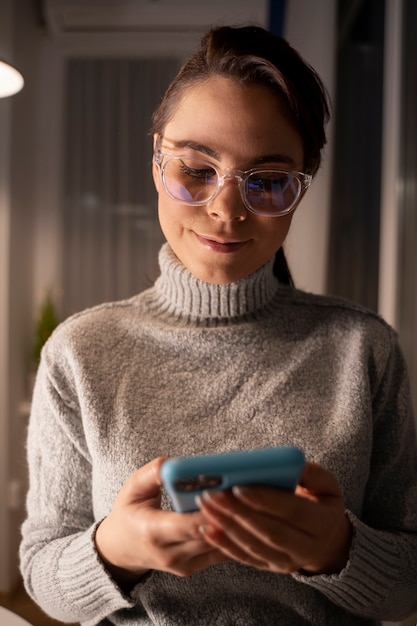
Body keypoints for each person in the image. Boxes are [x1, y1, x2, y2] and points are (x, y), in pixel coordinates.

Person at [20, 24, 417, 626]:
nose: (226, 210)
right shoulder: (81, 351)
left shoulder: (363, 350)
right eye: (196, 170)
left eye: (266, 180)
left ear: (300, 187)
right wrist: (115, 552)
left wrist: (338, 551)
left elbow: (409, 584)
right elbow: (43, 579)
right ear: (157, 162)